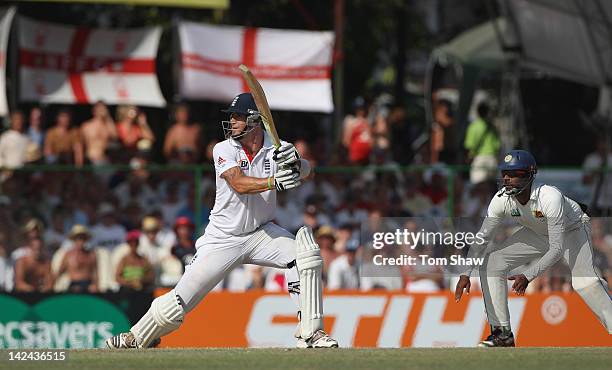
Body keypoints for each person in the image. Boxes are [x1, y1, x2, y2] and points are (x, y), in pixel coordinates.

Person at [106, 92, 337, 349]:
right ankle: (136, 337)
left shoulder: (277, 147)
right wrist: (274, 181)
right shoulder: (223, 148)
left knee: (305, 255)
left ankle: (311, 333)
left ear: (254, 121)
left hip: (261, 233)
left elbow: (309, 173)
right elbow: (238, 183)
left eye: (238, 117)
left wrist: (299, 164)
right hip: (223, 238)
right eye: (232, 117)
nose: (233, 122)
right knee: (178, 304)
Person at [455, 150, 612, 347]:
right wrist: (465, 274)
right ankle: (502, 335)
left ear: (529, 175)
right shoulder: (501, 199)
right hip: (537, 232)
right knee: (491, 264)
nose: (507, 179)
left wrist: (528, 275)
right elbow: (483, 237)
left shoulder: (549, 197)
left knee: (584, 283)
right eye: (504, 174)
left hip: (572, 230)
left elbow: (556, 248)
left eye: (513, 174)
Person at [464, 101, 501, 185]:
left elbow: (469, 145)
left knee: (478, 185)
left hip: (479, 159)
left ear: (477, 112)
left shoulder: (473, 126)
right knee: (491, 186)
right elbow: (497, 145)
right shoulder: (492, 126)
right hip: (492, 159)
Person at [57, 225, 98, 293]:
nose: (80, 241)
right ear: (74, 239)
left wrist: (95, 285)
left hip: (88, 285)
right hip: (73, 285)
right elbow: (59, 272)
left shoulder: (91, 254)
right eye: (78, 238)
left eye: (82, 238)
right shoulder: (68, 255)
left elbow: (96, 274)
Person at [80, 101, 117, 165]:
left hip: (103, 159)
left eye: (103, 108)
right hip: (91, 158)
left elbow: (115, 136)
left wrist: (108, 117)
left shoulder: (107, 126)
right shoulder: (87, 126)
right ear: (94, 111)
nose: (102, 111)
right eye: (99, 108)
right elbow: (80, 145)